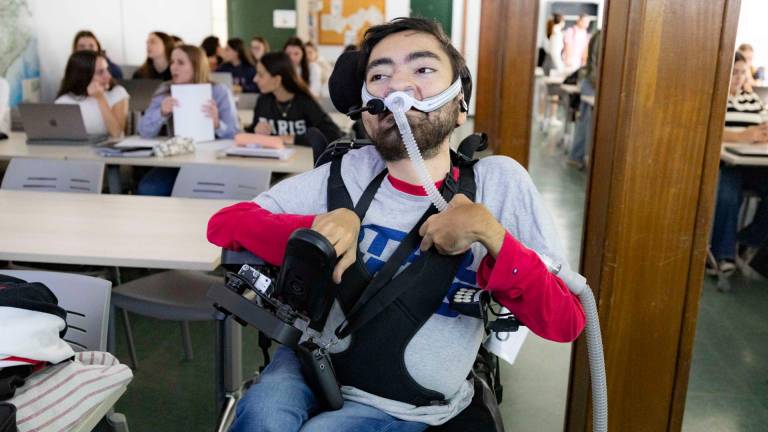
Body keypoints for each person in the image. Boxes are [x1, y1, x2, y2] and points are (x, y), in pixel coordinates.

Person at [209, 17, 585, 431]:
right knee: (263, 416)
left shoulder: (497, 184)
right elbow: (225, 223)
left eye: (422, 69)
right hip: (311, 367)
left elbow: (565, 320)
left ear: (461, 104)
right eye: (380, 75)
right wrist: (322, 225)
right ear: (367, 110)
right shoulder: (345, 173)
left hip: (409, 408)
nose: (398, 87)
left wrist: (490, 235)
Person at [137, 45, 238, 196]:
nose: (173, 67)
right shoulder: (165, 89)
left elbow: (235, 134)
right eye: (172, 62)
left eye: (180, 63)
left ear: (196, 66)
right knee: (149, 189)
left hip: (213, 160)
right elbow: (144, 131)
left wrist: (217, 124)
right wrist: (161, 113)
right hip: (176, 160)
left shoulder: (219, 91)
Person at [709, 51, 768, 275]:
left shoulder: (752, 99)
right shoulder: (716, 98)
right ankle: (723, 256)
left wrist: (763, 134)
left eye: (743, 73)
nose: (739, 78)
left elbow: (764, 124)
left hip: (755, 163)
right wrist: (743, 135)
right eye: (734, 73)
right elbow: (712, 129)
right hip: (728, 164)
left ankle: (747, 239)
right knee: (727, 193)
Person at [245, 52, 341, 145]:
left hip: (303, 159)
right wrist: (256, 131)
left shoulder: (305, 102)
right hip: (273, 159)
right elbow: (251, 131)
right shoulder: (263, 101)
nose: (255, 79)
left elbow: (334, 134)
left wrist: (295, 139)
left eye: (260, 75)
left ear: (277, 80)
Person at [55, 51, 129, 138]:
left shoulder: (117, 93)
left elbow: (117, 134)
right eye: (100, 72)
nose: (108, 76)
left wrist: (100, 98)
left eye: (107, 69)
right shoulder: (64, 101)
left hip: (107, 150)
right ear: (83, 76)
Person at [566, 29, 601, 169]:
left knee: (586, 123)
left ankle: (578, 155)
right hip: (592, 83)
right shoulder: (600, 36)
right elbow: (594, 62)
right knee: (585, 122)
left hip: (592, 82)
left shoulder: (599, 35)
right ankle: (576, 156)